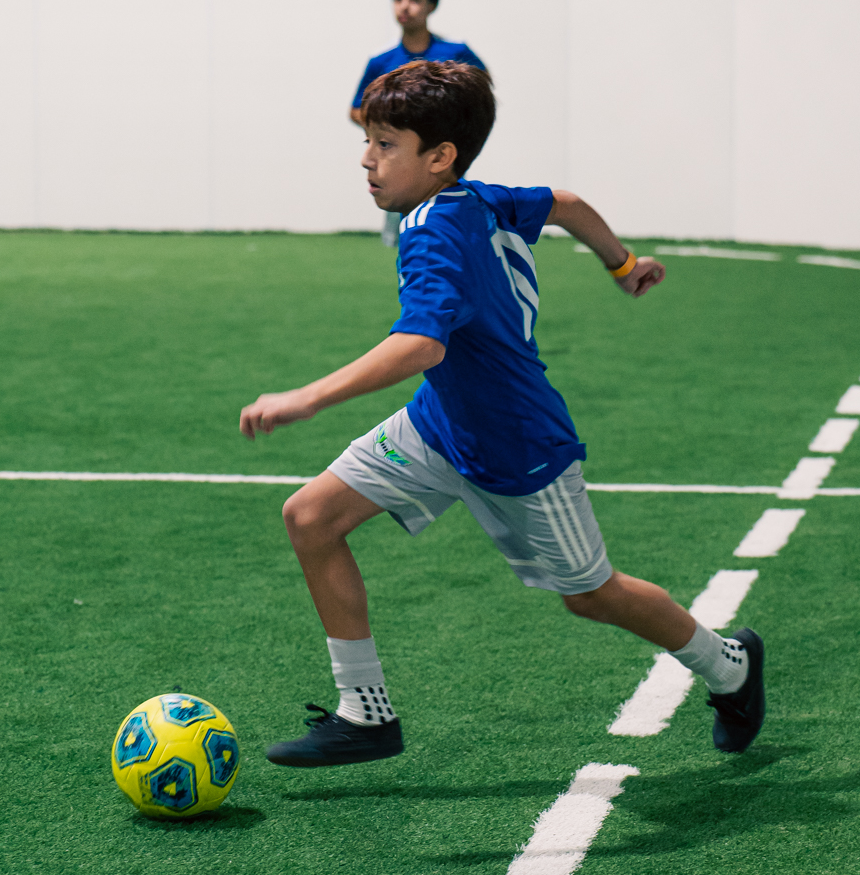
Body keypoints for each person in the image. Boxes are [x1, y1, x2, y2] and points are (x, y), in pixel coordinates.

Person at [241, 60, 764, 768]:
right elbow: (565, 202)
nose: (366, 159)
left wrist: (306, 397)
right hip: (439, 426)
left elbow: (422, 344)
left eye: (386, 144)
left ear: (440, 157)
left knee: (593, 595)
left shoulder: (431, 230)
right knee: (310, 517)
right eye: (368, 141)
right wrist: (621, 263)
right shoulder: (476, 198)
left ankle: (730, 665)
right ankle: (365, 712)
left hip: (519, 449)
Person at [351, 0, 486, 247]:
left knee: (451, 231)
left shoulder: (456, 53)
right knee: (404, 241)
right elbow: (356, 110)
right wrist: (393, 127)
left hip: (442, 164)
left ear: (431, 5)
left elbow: (481, 97)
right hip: (397, 166)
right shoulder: (382, 61)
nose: (405, 6)